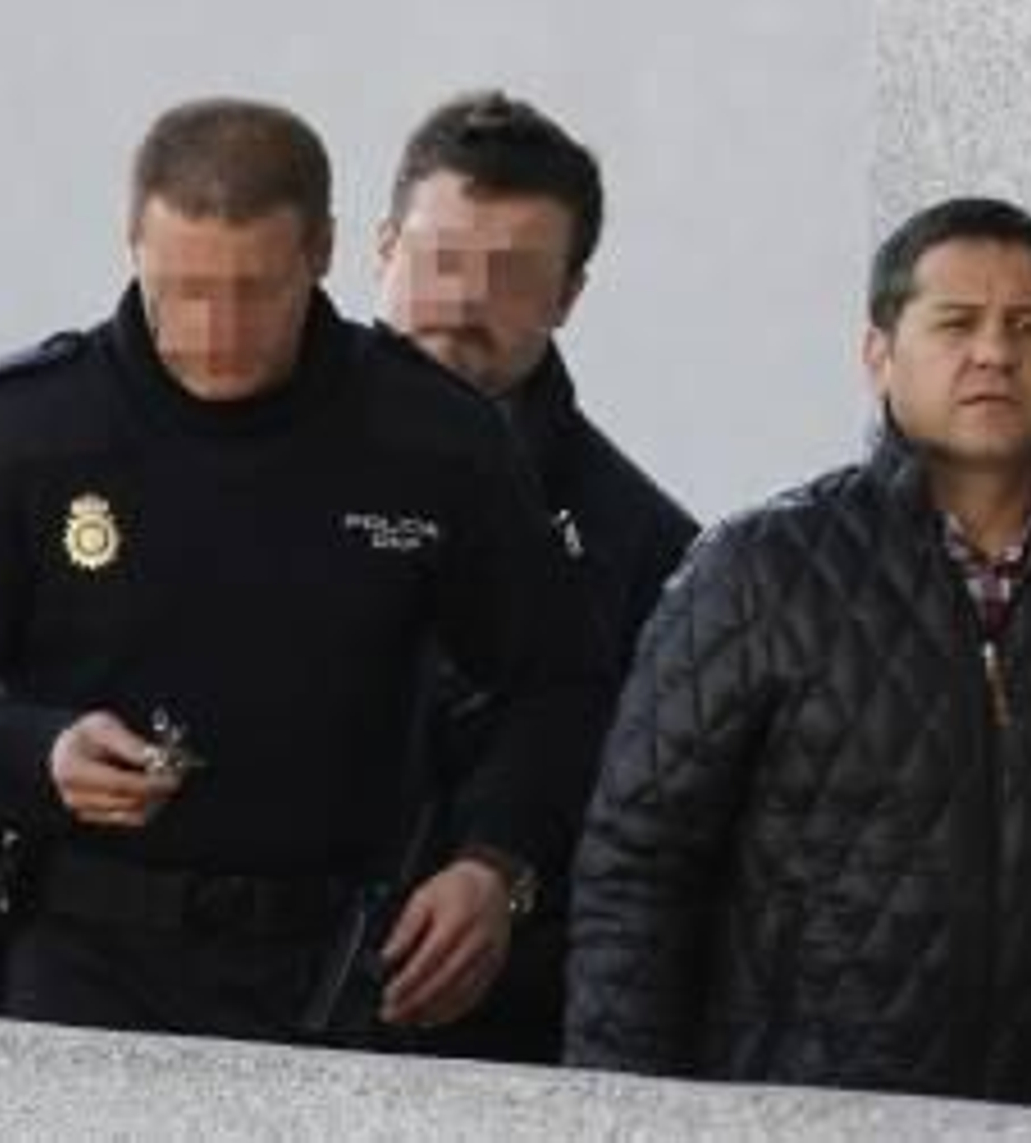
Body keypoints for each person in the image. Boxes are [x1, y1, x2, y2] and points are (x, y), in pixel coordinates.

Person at [0, 96, 610, 1044]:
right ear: (133, 244)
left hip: (333, 977)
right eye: (181, 288)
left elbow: (558, 683)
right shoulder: (20, 433)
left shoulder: (433, 440)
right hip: (74, 972)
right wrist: (36, 752)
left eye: (252, 293)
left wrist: (497, 865)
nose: (213, 327)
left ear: (320, 252)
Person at [565, 197, 1031, 1125]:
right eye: (956, 323)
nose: (995, 351)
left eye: (1028, 326)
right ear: (880, 354)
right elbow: (638, 870)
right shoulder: (760, 570)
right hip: (791, 1116)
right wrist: (614, 1119)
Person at [374, 90, 698, 1063]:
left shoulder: (643, 548)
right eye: (440, 258)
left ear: (568, 297)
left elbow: (651, 848)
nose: (465, 303)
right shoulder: (227, 456)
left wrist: (502, 881)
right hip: (215, 1015)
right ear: (381, 248)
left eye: (511, 275)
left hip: (497, 1043)